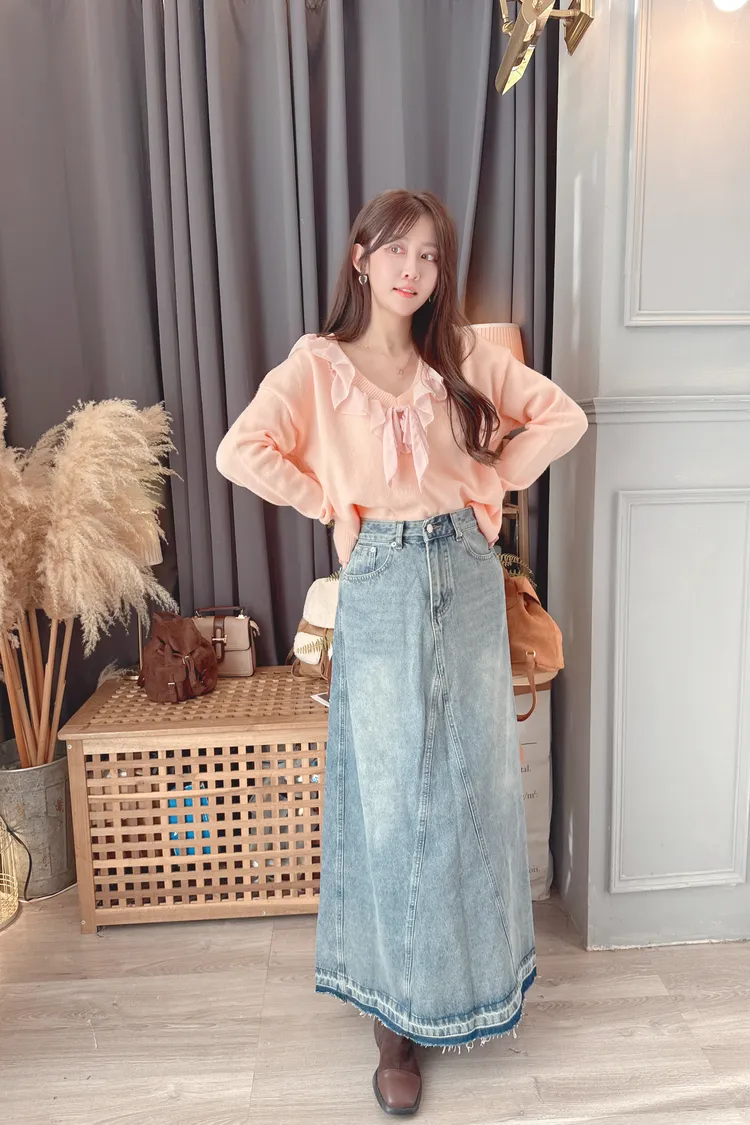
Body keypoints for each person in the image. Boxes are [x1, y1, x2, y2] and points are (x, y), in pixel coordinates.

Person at [216, 189, 588, 1116]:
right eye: (395, 251)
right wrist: (327, 502)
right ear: (361, 257)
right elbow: (241, 449)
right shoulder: (318, 364)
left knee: (476, 785)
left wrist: (495, 475)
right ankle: (393, 1023)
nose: (412, 270)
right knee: (387, 796)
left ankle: (475, 988)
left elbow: (562, 417)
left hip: (464, 570)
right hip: (380, 577)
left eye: (428, 255)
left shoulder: (461, 355)